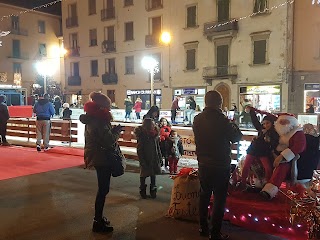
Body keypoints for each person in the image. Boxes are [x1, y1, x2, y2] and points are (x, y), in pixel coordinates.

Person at [193, 90, 243, 240]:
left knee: (204, 195)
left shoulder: (197, 119)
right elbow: (236, 137)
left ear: (206, 102)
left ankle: (203, 227)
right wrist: (232, 122)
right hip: (220, 164)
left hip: (203, 163)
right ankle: (215, 233)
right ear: (220, 103)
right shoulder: (223, 120)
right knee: (219, 199)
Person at [79, 91, 122, 233]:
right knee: (103, 190)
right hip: (101, 157)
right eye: (107, 107)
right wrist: (117, 132)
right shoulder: (98, 121)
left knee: (103, 190)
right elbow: (108, 140)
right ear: (102, 107)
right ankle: (97, 222)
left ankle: (99, 218)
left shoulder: (95, 119)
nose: (109, 110)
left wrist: (113, 131)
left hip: (99, 156)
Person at [260, 113, 307, 200]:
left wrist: (282, 156)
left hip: (290, 158)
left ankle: (269, 190)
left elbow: (299, 146)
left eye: (285, 122)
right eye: (280, 122)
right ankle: (260, 183)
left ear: (291, 122)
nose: (282, 124)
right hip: (274, 154)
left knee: (282, 166)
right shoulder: (279, 131)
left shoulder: (297, 132)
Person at [239, 107, 279, 190]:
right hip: (253, 150)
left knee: (267, 168)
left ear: (272, 123)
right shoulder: (261, 129)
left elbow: (274, 143)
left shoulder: (274, 133)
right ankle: (243, 183)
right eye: (264, 124)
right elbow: (255, 121)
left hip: (263, 152)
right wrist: (251, 111)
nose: (265, 125)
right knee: (246, 166)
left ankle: (268, 186)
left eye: (267, 123)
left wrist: (267, 139)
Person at [134, 118, 162, 199]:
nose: (154, 126)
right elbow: (140, 149)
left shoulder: (155, 135)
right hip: (146, 158)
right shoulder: (143, 136)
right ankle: (142, 189)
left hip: (154, 158)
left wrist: (160, 157)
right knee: (144, 175)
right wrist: (142, 161)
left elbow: (157, 147)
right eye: (152, 124)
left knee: (153, 174)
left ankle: (153, 189)